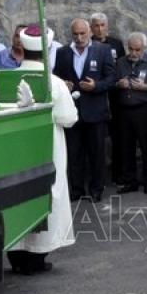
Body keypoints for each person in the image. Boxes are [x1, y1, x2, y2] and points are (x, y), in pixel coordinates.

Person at [8, 24, 78, 274]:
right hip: (47, 149)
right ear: (48, 50)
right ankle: (36, 259)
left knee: (15, 196)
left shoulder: (10, 77)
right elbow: (68, 118)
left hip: (14, 151)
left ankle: (16, 257)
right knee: (47, 194)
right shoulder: (54, 83)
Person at [53, 18, 116, 202]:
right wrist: (63, 84)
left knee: (97, 153)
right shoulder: (62, 52)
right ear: (70, 34)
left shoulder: (102, 50)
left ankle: (97, 189)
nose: (79, 37)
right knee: (74, 154)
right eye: (75, 34)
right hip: (72, 112)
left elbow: (112, 78)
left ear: (89, 33)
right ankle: (77, 190)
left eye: (82, 33)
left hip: (95, 111)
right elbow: (56, 77)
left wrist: (96, 85)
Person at [115, 32, 147, 195]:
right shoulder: (120, 63)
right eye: (131, 49)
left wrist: (146, 87)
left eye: (137, 50)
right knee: (126, 149)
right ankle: (130, 181)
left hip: (145, 111)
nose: (133, 53)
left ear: (144, 48)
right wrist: (118, 84)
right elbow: (111, 82)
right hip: (125, 111)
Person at [90, 12, 127, 186]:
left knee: (119, 137)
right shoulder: (87, 44)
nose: (99, 29)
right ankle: (96, 177)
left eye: (102, 25)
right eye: (96, 25)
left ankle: (118, 174)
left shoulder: (116, 44)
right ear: (91, 28)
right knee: (96, 140)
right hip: (95, 94)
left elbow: (123, 64)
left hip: (115, 95)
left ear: (107, 26)